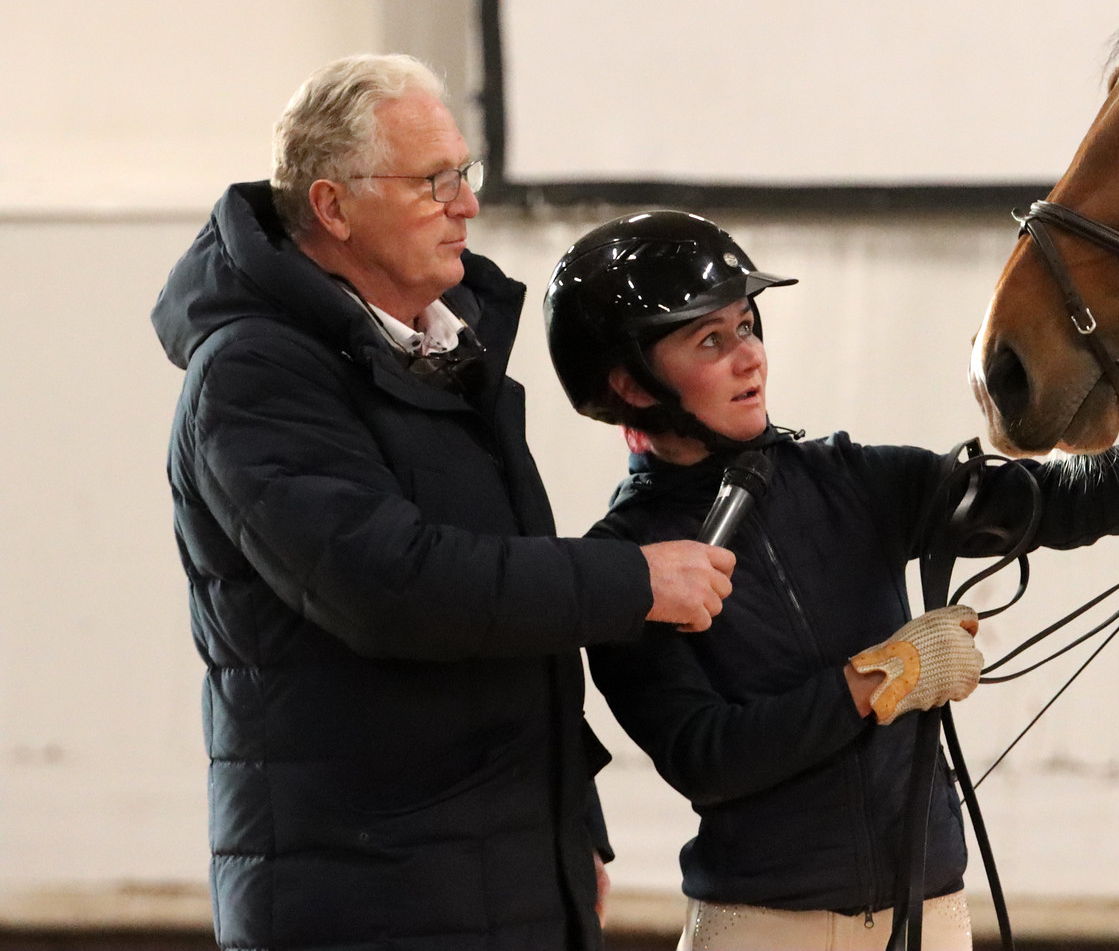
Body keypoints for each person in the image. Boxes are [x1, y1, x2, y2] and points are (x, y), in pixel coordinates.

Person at [544, 210, 1119, 951]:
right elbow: (708, 756)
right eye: (709, 341)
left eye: (747, 326)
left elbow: (1061, 503)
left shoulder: (850, 478)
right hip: (763, 927)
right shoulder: (625, 568)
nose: (751, 354)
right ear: (629, 383)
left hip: (928, 914)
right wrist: (878, 678)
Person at [152, 56, 737, 951]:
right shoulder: (253, 375)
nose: (467, 204)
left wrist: (564, 832)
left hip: (490, 877)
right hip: (361, 899)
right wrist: (631, 579)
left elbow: (505, 636)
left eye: (464, 174)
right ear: (333, 207)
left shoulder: (442, 350)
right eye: (434, 182)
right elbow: (395, 585)